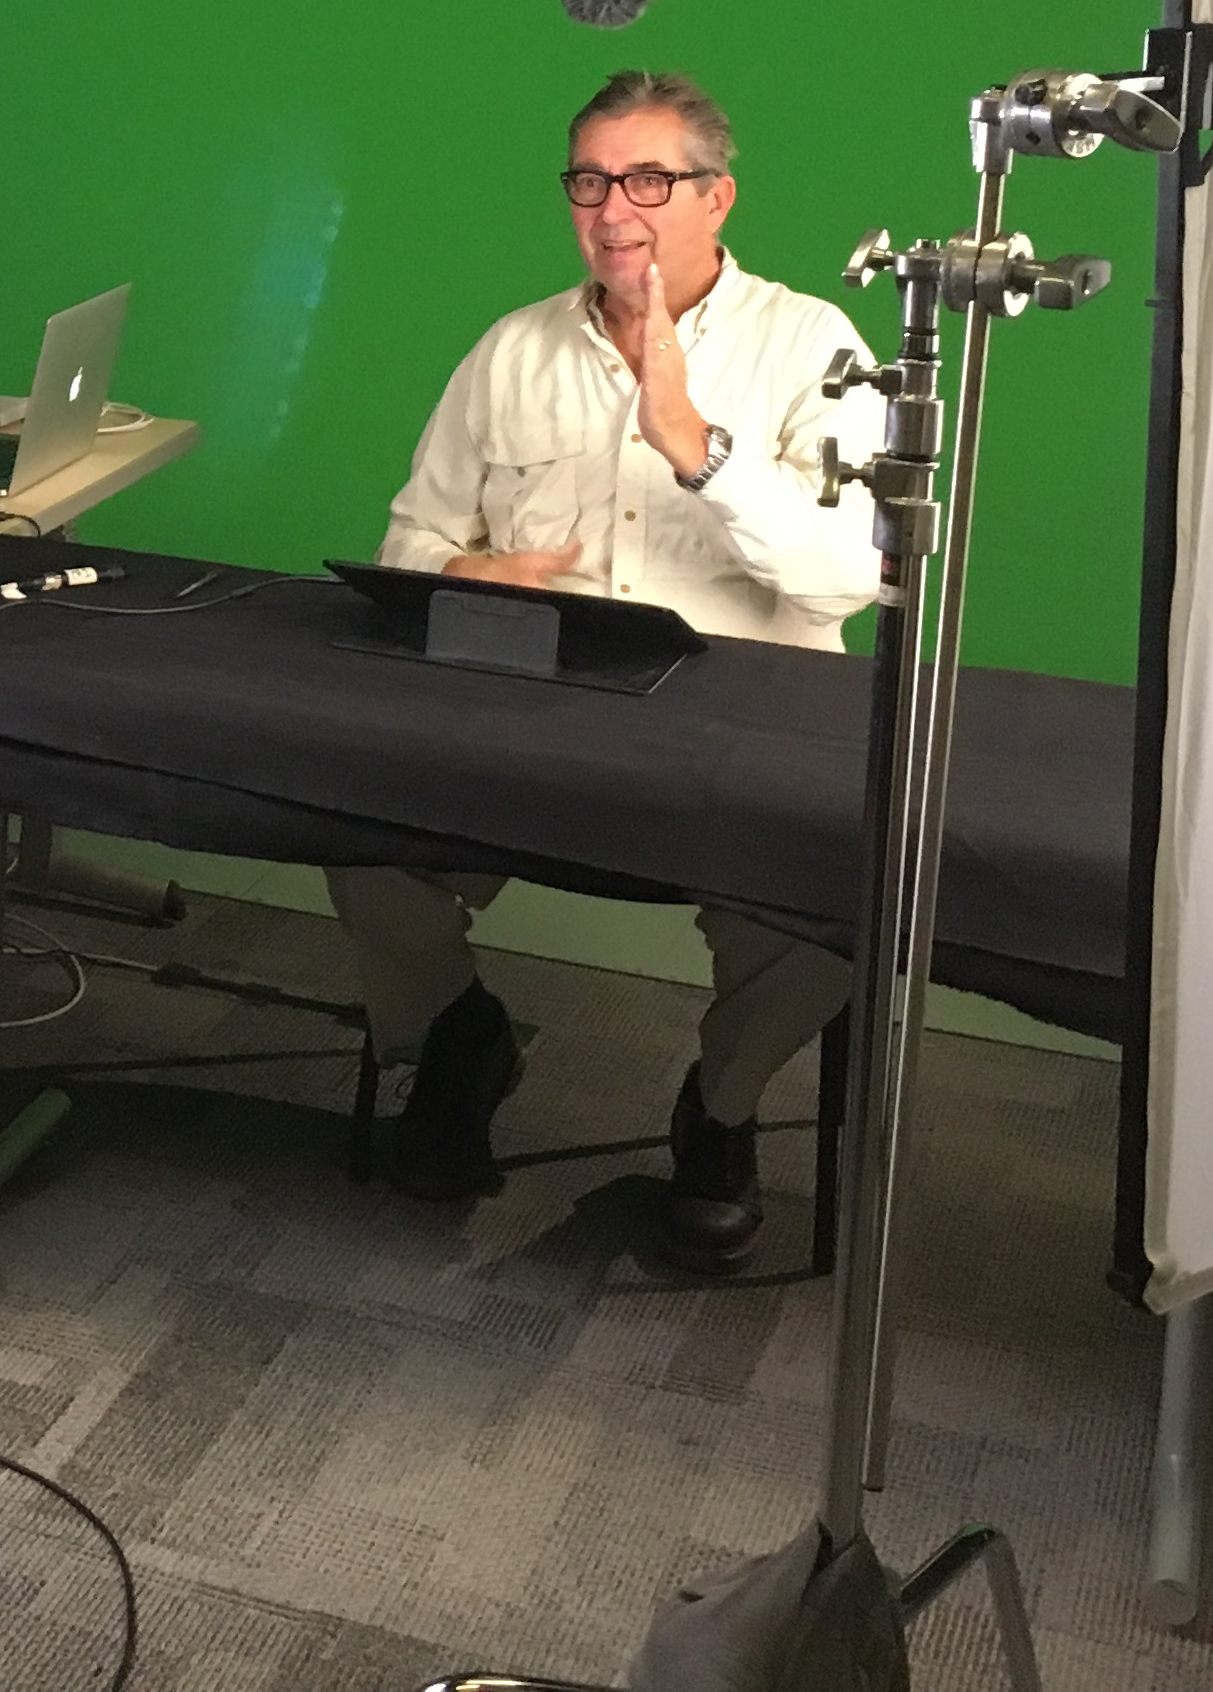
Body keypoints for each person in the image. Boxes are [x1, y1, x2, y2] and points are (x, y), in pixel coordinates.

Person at [329, 69, 886, 1274]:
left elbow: (846, 579)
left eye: (649, 180)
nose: (615, 210)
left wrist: (695, 441)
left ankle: (722, 1112)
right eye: (590, 180)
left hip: (742, 717)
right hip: (533, 700)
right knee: (351, 819)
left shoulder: (816, 346)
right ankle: (460, 1037)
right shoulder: (511, 348)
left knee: (837, 898)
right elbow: (410, 540)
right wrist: (466, 575)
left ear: (717, 197)